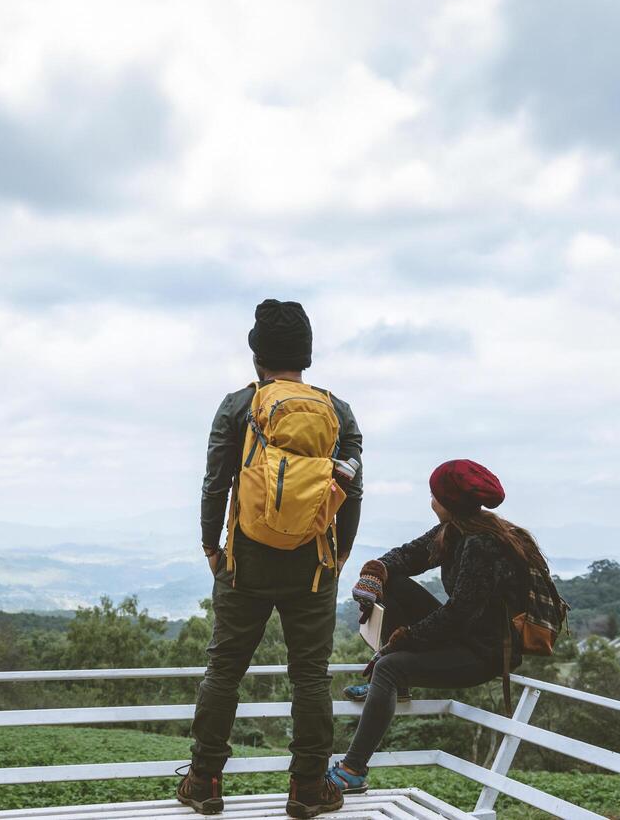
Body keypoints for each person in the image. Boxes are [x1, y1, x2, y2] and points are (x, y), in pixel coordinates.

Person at [177, 299, 365, 819]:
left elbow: (216, 483)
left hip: (245, 563)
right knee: (310, 676)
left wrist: (212, 547)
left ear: (256, 355)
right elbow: (352, 490)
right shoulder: (338, 410)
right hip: (313, 567)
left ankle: (205, 781)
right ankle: (307, 788)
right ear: (305, 355)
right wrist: (340, 556)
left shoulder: (239, 406)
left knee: (225, 670)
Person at [321, 459, 544, 796]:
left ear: (448, 502)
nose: (431, 501)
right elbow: (407, 556)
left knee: (389, 668)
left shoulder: (480, 544)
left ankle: (353, 771)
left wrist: (402, 640)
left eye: (434, 495)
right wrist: (374, 572)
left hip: (483, 653)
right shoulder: (455, 529)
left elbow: (458, 614)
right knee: (393, 582)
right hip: (465, 634)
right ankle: (397, 689)